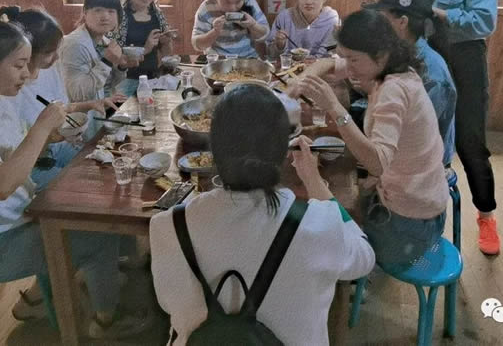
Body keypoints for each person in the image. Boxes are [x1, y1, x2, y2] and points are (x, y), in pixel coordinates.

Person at [0, 21, 124, 337]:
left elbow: (14, 154)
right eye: (19, 65)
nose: (27, 74)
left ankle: (45, 296)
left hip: (14, 222)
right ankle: (107, 322)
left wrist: (47, 137)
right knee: (101, 235)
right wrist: (41, 128)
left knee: (89, 206)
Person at [150, 84, 374, 345]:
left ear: (213, 150)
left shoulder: (169, 226)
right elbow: (365, 257)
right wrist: (314, 181)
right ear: (282, 151)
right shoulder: (319, 223)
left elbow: (169, 303)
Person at [297, 10, 449, 267]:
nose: (348, 67)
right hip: (419, 200)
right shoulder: (395, 68)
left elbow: (377, 163)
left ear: (381, 55)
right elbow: (330, 64)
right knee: (337, 194)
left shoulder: (394, 89)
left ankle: (360, 275)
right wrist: (300, 82)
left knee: (322, 226)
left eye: (353, 59)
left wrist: (335, 107)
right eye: (346, 57)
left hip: (411, 222)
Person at [391, 0, 500, 255]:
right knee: (425, 140)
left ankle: (486, 215)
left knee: (470, 143)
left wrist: (438, 14)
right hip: (427, 63)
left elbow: (484, 22)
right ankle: (421, 216)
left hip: (465, 63)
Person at [0, 6, 125, 190]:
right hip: (31, 167)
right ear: (27, 52)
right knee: (86, 187)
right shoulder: (9, 92)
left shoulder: (49, 70)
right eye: (49, 52)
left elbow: (60, 107)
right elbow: (13, 157)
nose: (57, 57)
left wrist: (92, 104)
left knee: (104, 170)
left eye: (57, 49)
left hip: (57, 148)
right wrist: (48, 137)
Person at [368, 0, 457, 166]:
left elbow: (416, 130)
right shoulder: (398, 52)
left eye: (383, 21)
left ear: (402, 22)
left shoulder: (432, 72)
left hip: (424, 163)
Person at [59, 0, 131, 102]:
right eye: (98, 10)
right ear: (85, 12)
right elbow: (76, 95)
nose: (105, 17)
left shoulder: (105, 41)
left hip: (102, 109)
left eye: (111, 11)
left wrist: (121, 67)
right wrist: (106, 62)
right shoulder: (75, 45)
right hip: (81, 114)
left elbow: (110, 86)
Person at [110, 0, 174, 81]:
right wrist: (145, 48)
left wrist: (166, 42)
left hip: (153, 79)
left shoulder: (157, 14)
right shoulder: (119, 16)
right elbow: (114, 58)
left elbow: (166, 54)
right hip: (125, 82)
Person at [191, 0, 269, 58]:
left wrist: (253, 25)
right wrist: (215, 31)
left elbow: (265, 35)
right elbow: (196, 45)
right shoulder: (206, 7)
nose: (232, 8)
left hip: (247, 58)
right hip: (218, 59)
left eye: (238, 2)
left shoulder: (250, 3)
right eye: (227, 2)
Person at [267, 0, 340, 59]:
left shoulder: (331, 19)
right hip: (289, 65)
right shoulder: (284, 17)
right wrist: (279, 45)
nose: (309, 2)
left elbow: (330, 53)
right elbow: (271, 54)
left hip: (320, 65)